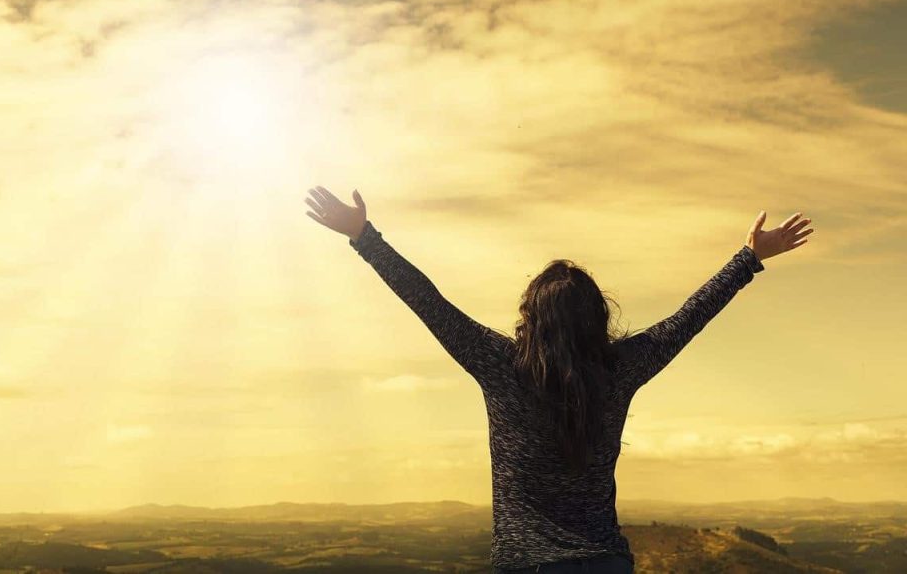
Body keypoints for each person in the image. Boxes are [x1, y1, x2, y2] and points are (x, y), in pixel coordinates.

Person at [304, 186, 813, 574]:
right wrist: (748, 259)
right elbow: (689, 317)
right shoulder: (620, 368)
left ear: (531, 315)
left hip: (528, 565)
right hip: (606, 562)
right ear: (596, 316)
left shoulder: (501, 366)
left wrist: (364, 238)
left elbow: (429, 303)